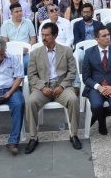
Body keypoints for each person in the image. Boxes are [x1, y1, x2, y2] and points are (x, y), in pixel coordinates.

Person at [25, 23, 81, 153]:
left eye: (47, 35)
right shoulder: (35, 53)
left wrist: (62, 86)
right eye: (42, 35)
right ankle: (33, 137)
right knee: (31, 102)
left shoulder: (66, 51)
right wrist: (42, 86)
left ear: (55, 35)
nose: (43, 38)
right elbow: (31, 75)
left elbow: (72, 72)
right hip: (43, 88)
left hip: (62, 86)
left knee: (72, 99)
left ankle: (74, 134)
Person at [82, 26, 111, 135]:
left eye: (108, 35)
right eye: (104, 36)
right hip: (96, 87)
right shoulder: (89, 53)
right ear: (97, 39)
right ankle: (102, 122)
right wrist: (99, 87)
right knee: (96, 105)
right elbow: (86, 77)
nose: (108, 37)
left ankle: (98, 115)